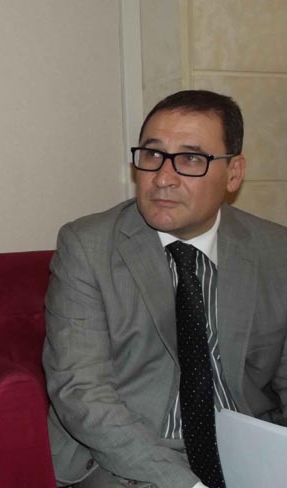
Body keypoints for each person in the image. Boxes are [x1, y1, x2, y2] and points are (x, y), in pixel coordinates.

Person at [43, 90, 287, 488]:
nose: (163, 178)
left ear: (233, 173)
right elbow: (82, 391)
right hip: (122, 459)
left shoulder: (276, 251)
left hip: (246, 450)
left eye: (191, 159)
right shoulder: (87, 246)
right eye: (153, 154)